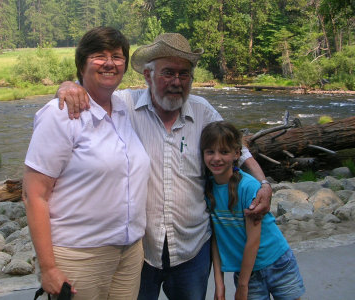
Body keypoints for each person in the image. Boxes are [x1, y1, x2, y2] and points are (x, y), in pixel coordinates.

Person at [56, 33, 273, 300]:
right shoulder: (124, 106)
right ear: (148, 76)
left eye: (184, 75)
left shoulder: (202, 110)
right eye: (168, 73)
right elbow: (92, 91)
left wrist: (263, 183)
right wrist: (69, 85)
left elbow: (237, 147)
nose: (176, 82)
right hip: (140, 251)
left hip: (192, 248)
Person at [22, 26, 150, 300]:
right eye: (99, 55)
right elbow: (33, 195)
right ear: (82, 63)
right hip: (79, 257)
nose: (109, 63)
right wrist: (48, 268)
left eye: (117, 56)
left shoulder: (124, 108)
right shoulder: (59, 114)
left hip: (128, 255)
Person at [200, 121, 305, 300]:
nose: (216, 158)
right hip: (245, 269)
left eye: (224, 152)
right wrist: (219, 282)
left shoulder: (248, 187)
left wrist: (242, 285)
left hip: (277, 261)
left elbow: (253, 240)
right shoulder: (207, 189)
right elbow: (216, 239)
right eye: (210, 152)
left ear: (236, 154)